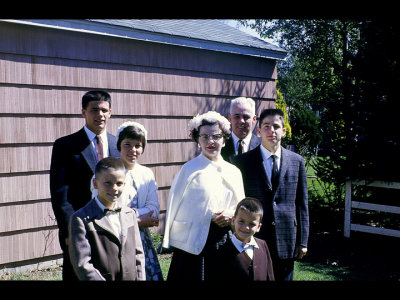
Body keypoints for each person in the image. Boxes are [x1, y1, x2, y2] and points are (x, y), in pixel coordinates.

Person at [162, 111, 245, 280]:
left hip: (223, 241)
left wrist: (231, 215)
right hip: (193, 246)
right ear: (197, 140)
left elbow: (241, 206)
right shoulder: (189, 169)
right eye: (205, 136)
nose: (210, 141)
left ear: (224, 138)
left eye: (216, 136)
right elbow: (176, 207)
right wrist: (208, 216)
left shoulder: (234, 171)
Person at [49, 90, 120, 281]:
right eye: (94, 110)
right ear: (83, 112)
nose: (100, 115)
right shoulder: (65, 145)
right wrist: (69, 231)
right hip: (80, 226)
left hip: (113, 225)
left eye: (104, 110)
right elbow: (60, 194)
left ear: (110, 112)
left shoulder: (118, 144)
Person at [232, 108, 309, 281]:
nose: (271, 130)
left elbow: (302, 204)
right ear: (258, 131)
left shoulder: (296, 161)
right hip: (255, 236)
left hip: (286, 239)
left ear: (284, 130)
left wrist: (302, 241)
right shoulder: (242, 162)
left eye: (276, 126)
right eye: (266, 126)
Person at [68, 157, 145, 280]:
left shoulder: (129, 214)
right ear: (95, 183)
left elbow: (138, 255)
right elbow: (83, 265)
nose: (114, 188)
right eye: (108, 183)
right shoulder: (81, 219)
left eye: (119, 183)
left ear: (124, 184)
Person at [115, 121, 163, 280]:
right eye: (127, 144)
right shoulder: (109, 171)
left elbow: (154, 209)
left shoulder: (146, 174)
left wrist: (129, 216)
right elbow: (105, 211)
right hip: (116, 237)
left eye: (138, 145)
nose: (132, 150)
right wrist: (138, 219)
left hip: (142, 240)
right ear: (119, 145)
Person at [210, 197, 275, 281]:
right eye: (241, 221)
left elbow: (270, 276)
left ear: (258, 227)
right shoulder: (222, 251)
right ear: (233, 220)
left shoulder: (263, 245)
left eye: (252, 224)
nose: (246, 227)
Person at [221, 97, 261, 162]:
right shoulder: (220, 145)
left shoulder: (263, 146)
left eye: (246, 117)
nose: (241, 121)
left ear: (254, 119)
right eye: (237, 116)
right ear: (230, 118)